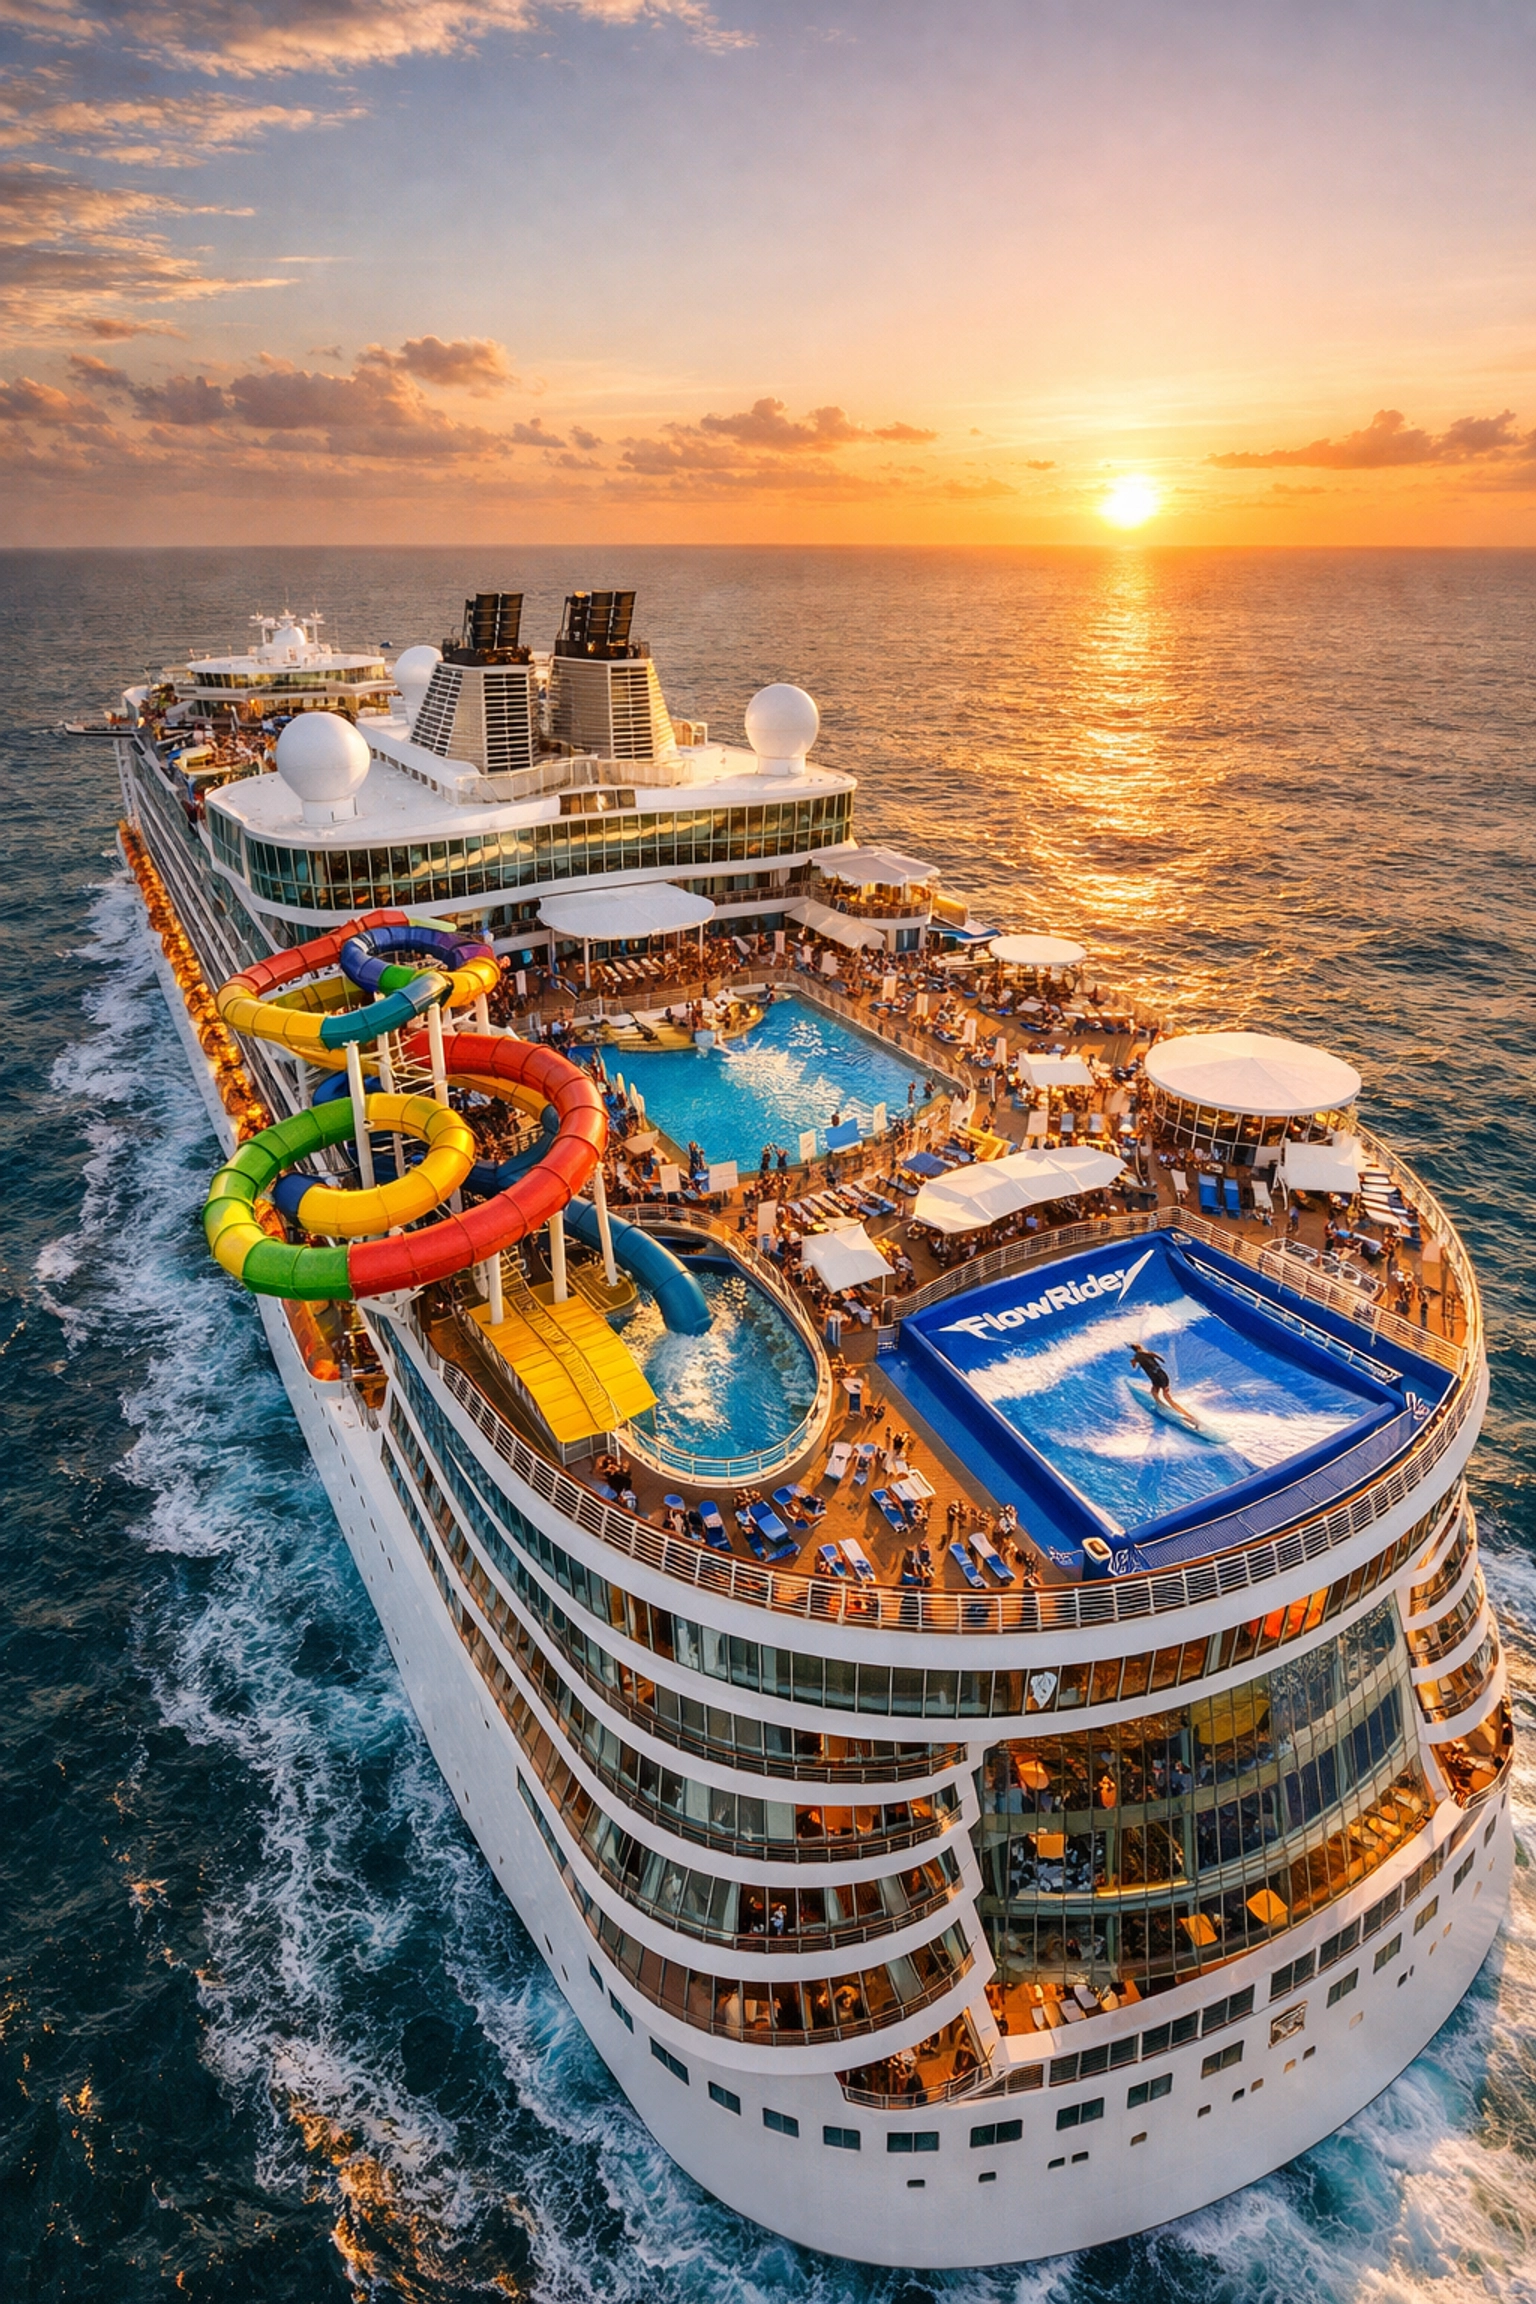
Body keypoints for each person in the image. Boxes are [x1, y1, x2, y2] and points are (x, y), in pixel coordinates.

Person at [1129, 1343, 1198, 1428]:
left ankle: (1185, 1415)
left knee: (1158, 1394)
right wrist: (1156, 1359)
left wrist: (1134, 1362)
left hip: (1157, 1377)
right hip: (1160, 1376)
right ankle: (1166, 1408)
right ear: (1140, 1348)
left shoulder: (1138, 1357)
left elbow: (1133, 1365)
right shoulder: (1146, 1354)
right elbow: (1160, 1359)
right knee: (1161, 1394)